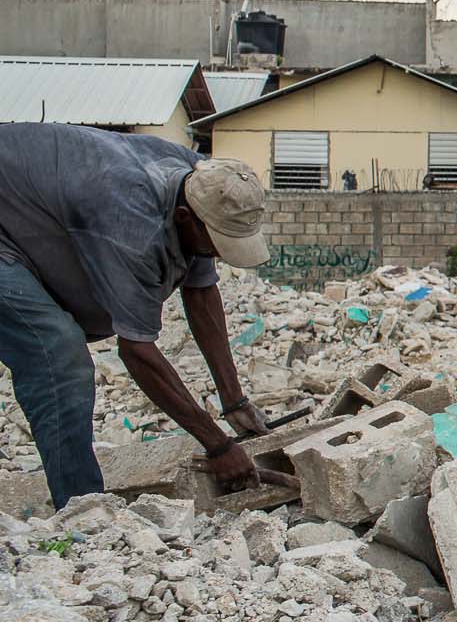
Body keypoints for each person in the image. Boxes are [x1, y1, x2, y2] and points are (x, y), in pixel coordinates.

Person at [0, 124, 277, 509]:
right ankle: (83, 510)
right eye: (216, 243)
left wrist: (234, 400)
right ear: (184, 217)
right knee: (57, 349)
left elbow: (201, 292)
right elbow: (137, 352)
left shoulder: (204, 179)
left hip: (22, 211)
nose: (216, 253)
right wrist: (217, 445)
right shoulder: (131, 222)